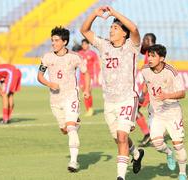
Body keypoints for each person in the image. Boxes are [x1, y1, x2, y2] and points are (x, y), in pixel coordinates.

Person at [80, 5, 144, 180]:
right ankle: (136, 153)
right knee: (119, 138)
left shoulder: (132, 46)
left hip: (127, 99)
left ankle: (120, 177)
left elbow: (135, 29)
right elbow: (84, 30)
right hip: (109, 101)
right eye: (111, 27)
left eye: (115, 28)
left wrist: (114, 13)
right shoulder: (104, 46)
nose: (111, 30)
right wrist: (94, 14)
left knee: (122, 136)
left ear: (124, 33)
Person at [37, 26, 91, 173]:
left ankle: (73, 162)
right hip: (55, 100)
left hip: (71, 96)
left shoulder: (74, 57)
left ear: (64, 41)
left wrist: (86, 89)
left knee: (71, 127)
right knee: (64, 129)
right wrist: (49, 84)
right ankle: (74, 123)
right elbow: (40, 76)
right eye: (52, 40)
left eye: (56, 40)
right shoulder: (47, 57)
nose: (53, 43)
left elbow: (86, 73)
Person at [141, 44, 188, 180]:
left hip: (172, 112)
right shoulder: (144, 70)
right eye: (149, 55)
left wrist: (167, 96)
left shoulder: (171, 71)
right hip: (156, 113)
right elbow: (147, 83)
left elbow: (182, 93)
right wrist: (143, 95)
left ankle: (183, 173)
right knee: (157, 143)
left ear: (161, 58)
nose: (149, 58)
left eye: (153, 56)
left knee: (178, 144)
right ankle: (168, 153)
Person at [136, 33, 156, 147]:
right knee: (154, 113)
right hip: (148, 87)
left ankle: (149, 135)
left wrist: (143, 91)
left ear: (149, 40)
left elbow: (150, 73)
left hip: (148, 88)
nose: (143, 41)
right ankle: (153, 137)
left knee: (135, 111)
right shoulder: (150, 52)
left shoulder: (152, 54)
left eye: (144, 39)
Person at [77, 39, 100, 116]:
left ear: (88, 45)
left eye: (85, 44)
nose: (84, 46)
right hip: (82, 76)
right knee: (84, 92)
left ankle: (90, 109)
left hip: (90, 76)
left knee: (88, 91)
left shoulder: (93, 53)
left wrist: (96, 75)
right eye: (82, 44)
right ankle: (88, 109)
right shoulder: (79, 53)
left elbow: (97, 64)